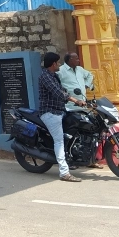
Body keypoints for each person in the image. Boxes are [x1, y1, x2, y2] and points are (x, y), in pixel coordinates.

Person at [38, 51, 84, 183]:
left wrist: (80, 99)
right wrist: (74, 100)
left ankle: (73, 159)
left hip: (60, 111)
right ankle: (64, 172)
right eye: (57, 62)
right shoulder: (45, 76)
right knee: (59, 141)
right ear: (53, 64)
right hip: (50, 113)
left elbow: (62, 89)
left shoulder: (53, 76)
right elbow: (57, 92)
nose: (59, 64)